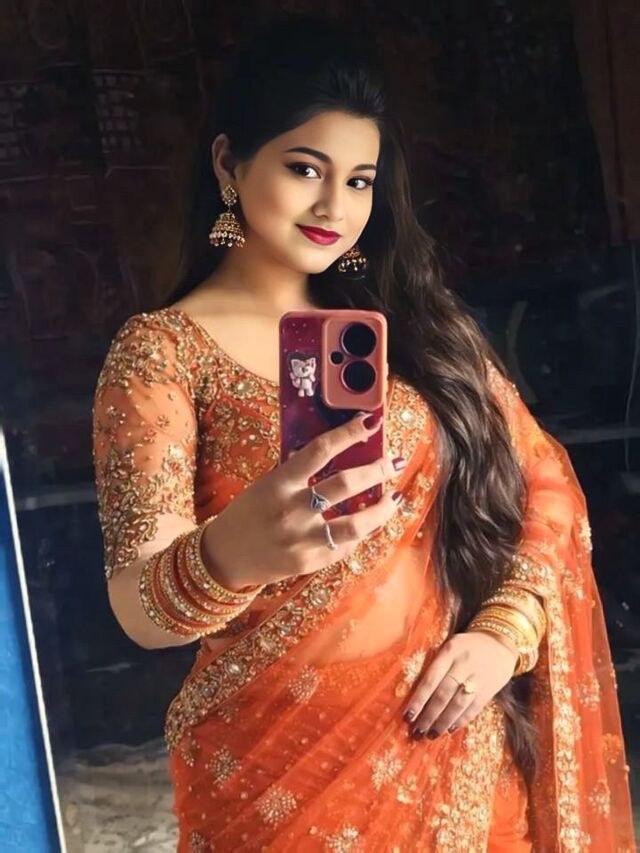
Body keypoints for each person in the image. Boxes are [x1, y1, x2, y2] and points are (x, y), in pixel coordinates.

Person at [91, 13, 635, 852]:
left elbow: (546, 478)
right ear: (229, 164)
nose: (333, 206)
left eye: (359, 180)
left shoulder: (412, 327)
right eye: (304, 168)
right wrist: (230, 552)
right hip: (271, 775)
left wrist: (505, 630)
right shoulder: (162, 352)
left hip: (456, 754)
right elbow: (138, 604)